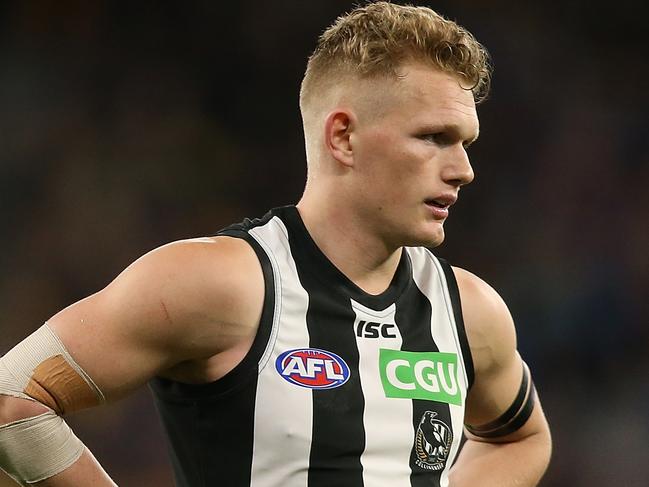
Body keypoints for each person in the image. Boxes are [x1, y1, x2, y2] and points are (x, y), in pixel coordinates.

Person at [0, 2, 551, 486]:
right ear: (343, 137)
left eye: (466, 143)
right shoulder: (220, 285)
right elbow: (12, 400)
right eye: (434, 138)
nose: (464, 170)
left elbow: (519, 438)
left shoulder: (469, 312)